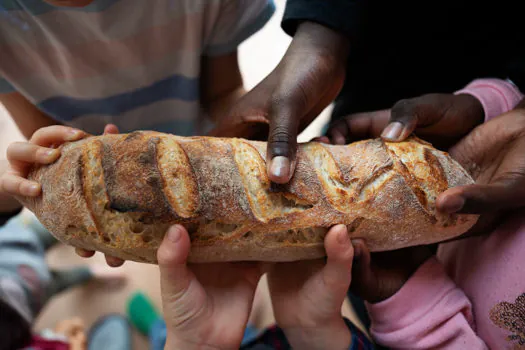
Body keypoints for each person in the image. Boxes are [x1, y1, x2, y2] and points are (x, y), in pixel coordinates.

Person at [0, 0, 275, 266]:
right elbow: (46, 144)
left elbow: (222, 92)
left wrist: (263, 121)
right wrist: (19, 178)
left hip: (204, 157)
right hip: (112, 201)